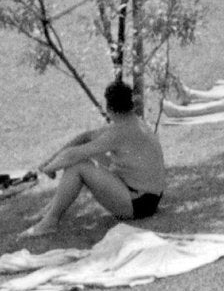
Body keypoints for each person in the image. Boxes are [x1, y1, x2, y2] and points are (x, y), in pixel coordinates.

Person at [20, 81, 167, 238]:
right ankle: (50, 210)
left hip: (139, 203)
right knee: (85, 154)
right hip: (149, 198)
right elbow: (86, 137)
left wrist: (48, 169)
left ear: (110, 108)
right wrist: (51, 160)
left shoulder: (120, 131)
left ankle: (50, 222)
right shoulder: (132, 122)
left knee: (78, 166)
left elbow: (73, 155)